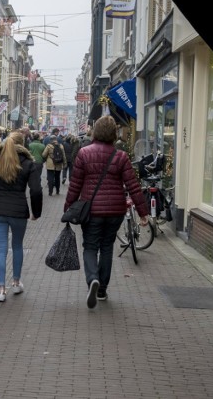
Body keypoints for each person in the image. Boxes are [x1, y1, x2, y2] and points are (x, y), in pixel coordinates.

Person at [65, 115, 149, 309]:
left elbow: (75, 185)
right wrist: (143, 212)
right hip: (115, 210)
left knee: (90, 246)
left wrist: (68, 207)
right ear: (113, 134)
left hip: (91, 209)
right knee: (107, 247)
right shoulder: (120, 156)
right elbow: (133, 186)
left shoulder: (84, 154)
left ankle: (92, 278)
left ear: (95, 132)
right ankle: (102, 289)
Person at [0, 131, 42, 303]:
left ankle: (0, 289)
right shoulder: (28, 163)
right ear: (23, 143)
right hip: (18, 210)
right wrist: (36, 211)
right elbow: (36, 190)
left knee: (0, 249)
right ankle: (16, 282)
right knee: (17, 246)